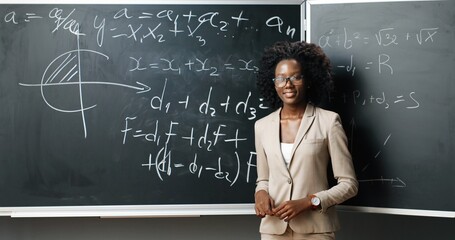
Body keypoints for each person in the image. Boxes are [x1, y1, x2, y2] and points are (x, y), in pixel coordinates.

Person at [254, 41, 358, 240]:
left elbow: (349, 184)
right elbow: (264, 180)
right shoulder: (262, 126)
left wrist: (310, 201)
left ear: (308, 80)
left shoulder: (329, 122)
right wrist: (260, 194)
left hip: (315, 229)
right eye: (281, 78)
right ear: (273, 83)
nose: (288, 84)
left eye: (296, 77)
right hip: (273, 229)